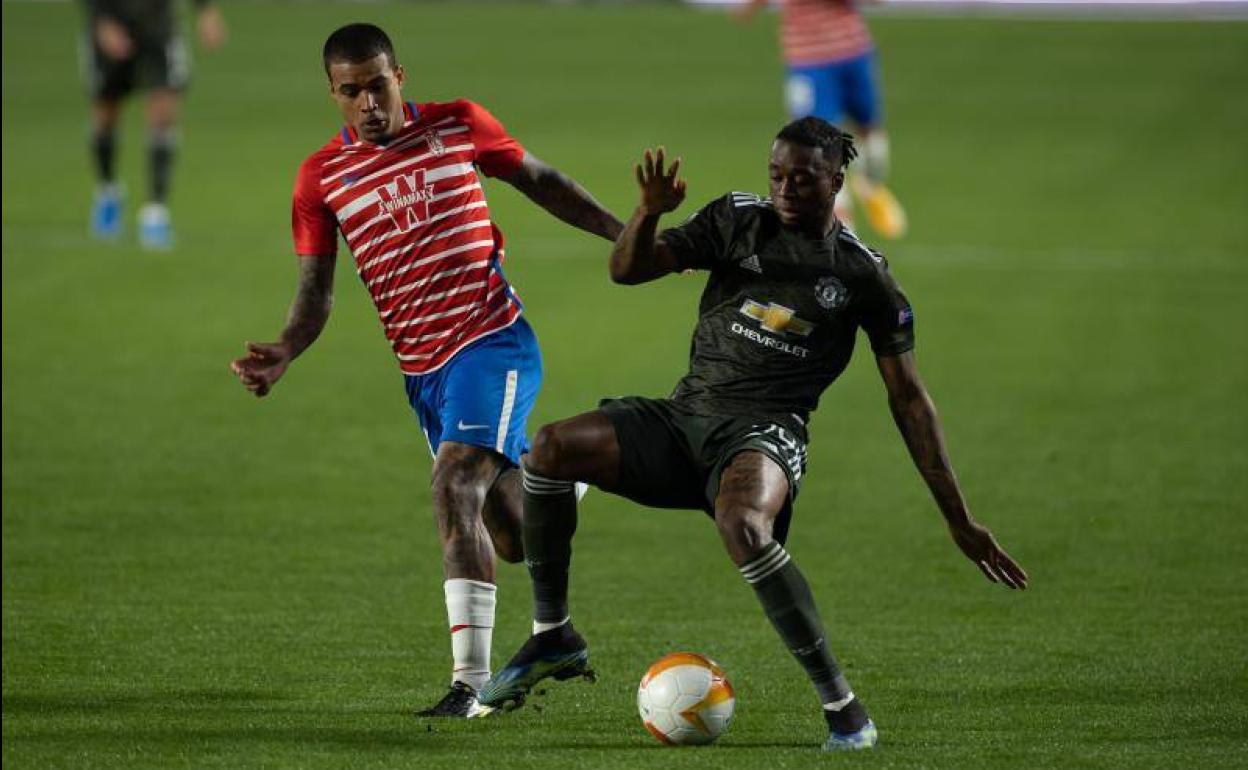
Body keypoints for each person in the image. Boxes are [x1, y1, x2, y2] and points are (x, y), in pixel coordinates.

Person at [477, 118, 1027, 750]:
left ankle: (844, 710)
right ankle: (553, 635)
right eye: (777, 175)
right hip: (685, 418)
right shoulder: (736, 220)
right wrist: (649, 212)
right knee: (549, 448)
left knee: (742, 524)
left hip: (765, 435)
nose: (785, 189)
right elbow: (627, 270)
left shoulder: (862, 276)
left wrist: (959, 518)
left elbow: (909, 400)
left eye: (803, 178)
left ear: (836, 182)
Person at [229, 23, 622, 718]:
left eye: (377, 86)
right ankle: (573, 465)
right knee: (509, 531)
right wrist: (287, 347)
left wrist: (626, 235)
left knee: (453, 484)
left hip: (492, 341)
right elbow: (316, 292)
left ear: (399, 77)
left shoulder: (456, 125)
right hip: (424, 375)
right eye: (350, 91)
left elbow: (542, 181)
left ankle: (470, 687)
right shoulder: (321, 178)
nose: (368, 104)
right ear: (332, 93)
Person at [736, 0, 906, 239]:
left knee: (869, 130)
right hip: (808, 60)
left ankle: (870, 185)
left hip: (853, 50)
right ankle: (841, 229)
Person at [82, 0, 227, 249]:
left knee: (163, 113)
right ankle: (108, 191)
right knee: (106, 113)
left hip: (158, 26)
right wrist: (102, 20)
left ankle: (156, 211)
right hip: (112, 18)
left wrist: (205, 10)